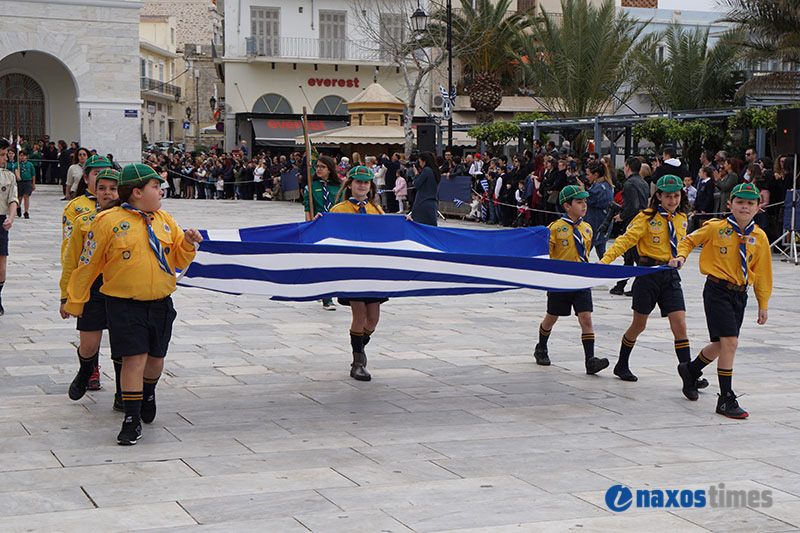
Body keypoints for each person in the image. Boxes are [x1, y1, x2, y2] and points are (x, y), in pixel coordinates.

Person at [65, 163, 202, 445]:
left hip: (161, 303)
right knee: (133, 359)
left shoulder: (165, 219)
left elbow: (177, 259)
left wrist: (187, 243)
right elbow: (87, 265)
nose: (161, 189)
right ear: (137, 192)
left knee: (155, 360)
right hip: (124, 304)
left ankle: (148, 391)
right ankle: (131, 418)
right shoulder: (107, 221)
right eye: (155, 186)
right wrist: (73, 300)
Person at [670, 183, 772, 419]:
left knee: (721, 345)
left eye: (750, 203)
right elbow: (688, 240)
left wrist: (763, 303)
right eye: (740, 202)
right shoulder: (717, 228)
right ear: (730, 205)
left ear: (758, 208)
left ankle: (690, 369)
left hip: (740, 294)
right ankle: (725, 398)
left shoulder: (760, 237)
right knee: (731, 343)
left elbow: (764, 272)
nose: (744, 207)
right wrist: (681, 257)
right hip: (717, 290)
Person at [600, 176, 707, 391]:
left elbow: (684, 243)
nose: (673, 200)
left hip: (670, 277)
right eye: (668, 196)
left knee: (680, 326)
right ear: (658, 196)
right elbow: (624, 241)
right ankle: (622, 364)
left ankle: (688, 375)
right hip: (647, 275)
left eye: (676, 196)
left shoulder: (682, 218)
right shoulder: (646, 218)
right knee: (639, 325)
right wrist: (604, 263)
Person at [60, 168, 122, 407]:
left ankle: (123, 392)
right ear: (94, 191)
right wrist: (65, 296)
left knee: (122, 346)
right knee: (88, 345)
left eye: (113, 188)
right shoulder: (83, 221)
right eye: (102, 188)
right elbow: (71, 261)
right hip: (92, 291)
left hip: (120, 289)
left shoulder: (131, 219)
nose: (107, 193)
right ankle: (86, 370)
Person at [533, 185, 610, 375]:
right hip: (561, 281)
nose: (584, 206)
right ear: (567, 206)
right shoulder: (555, 228)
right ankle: (541, 347)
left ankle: (590, 360)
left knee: (586, 318)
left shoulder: (587, 228)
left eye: (585, 202)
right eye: (579, 202)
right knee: (552, 317)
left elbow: (585, 252)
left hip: (581, 280)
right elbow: (546, 254)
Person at [329, 166, 386, 381]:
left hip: (372, 269)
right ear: (350, 184)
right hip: (352, 268)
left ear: (370, 186)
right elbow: (329, 234)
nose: (362, 186)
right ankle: (358, 361)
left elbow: (386, 234)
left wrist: (403, 226)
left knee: (373, 320)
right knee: (359, 315)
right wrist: (319, 222)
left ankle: (360, 346)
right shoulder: (339, 209)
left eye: (366, 183)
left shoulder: (376, 210)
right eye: (358, 182)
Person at [303, 155, 344, 310]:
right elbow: (307, 207)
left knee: (334, 261)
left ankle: (326, 290)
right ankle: (327, 297)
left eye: (322, 167)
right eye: (317, 166)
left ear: (329, 169)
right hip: (318, 226)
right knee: (323, 261)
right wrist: (309, 225)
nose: (318, 169)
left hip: (335, 227)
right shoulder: (311, 186)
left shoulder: (338, 186)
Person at [61, 155, 114, 269]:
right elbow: (69, 243)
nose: (102, 176)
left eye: (106, 172)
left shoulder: (121, 205)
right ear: (86, 178)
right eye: (96, 173)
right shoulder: (75, 206)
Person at [609, 157, 650, 296]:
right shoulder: (643, 182)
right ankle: (621, 285)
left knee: (634, 256)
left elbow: (632, 205)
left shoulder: (630, 184)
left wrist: (622, 216)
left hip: (633, 223)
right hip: (642, 221)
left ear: (627, 167)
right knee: (630, 257)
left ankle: (637, 286)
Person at [0, 140, 19, 316]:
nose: (5, 158)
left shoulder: (8, 176)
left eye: (6, 154)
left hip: (0, 221)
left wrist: (11, 218)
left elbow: (13, 199)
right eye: (2, 154)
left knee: (1, 264)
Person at [584, 161, 614, 259]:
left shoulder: (600, 188)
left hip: (597, 224)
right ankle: (606, 268)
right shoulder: (605, 186)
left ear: (595, 175)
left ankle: (582, 267)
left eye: (588, 174)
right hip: (601, 222)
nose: (586, 177)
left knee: (587, 250)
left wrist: (582, 190)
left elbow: (588, 198)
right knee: (600, 249)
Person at [409, 151, 440, 226]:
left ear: (424, 162)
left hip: (423, 201)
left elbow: (417, 184)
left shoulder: (426, 170)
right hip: (432, 203)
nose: (419, 164)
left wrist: (416, 174)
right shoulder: (435, 170)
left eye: (420, 162)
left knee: (419, 225)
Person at [10, 149, 35, 219]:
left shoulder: (30, 164)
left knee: (26, 196)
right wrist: (18, 176)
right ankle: (18, 207)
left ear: (26, 156)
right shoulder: (17, 164)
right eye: (21, 156)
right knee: (19, 197)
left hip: (28, 181)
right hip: (20, 182)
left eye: (23, 156)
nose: (22, 157)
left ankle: (26, 211)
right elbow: (16, 170)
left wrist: (33, 184)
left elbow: (33, 174)